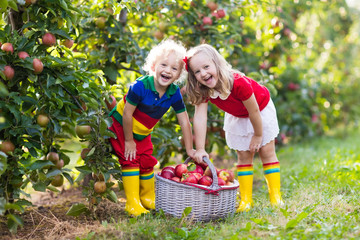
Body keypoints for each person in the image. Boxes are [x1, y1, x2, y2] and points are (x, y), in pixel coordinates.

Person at [184, 44, 283, 212]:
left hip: (260, 110)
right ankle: (246, 201)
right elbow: (200, 117)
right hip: (238, 115)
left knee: (266, 151)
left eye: (206, 67)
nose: (203, 74)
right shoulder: (203, 89)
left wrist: (258, 135)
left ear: (216, 63)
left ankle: (275, 197)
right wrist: (200, 148)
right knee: (243, 156)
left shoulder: (237, 82)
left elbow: (254, 111)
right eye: (197, 71)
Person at [109, 39, 195, 216]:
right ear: (154, 66)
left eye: (174, 68)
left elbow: (184, 121)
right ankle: (132, 202)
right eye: (164, 65)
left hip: (142, 131)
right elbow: (127, 114)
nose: (167, 71)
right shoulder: (140, 86)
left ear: (179, 75)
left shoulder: (174, 92)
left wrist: (189, 149)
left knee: (147, 159)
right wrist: (129, 140)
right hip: (122, 125)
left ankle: (147, 197)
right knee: (130, 157)